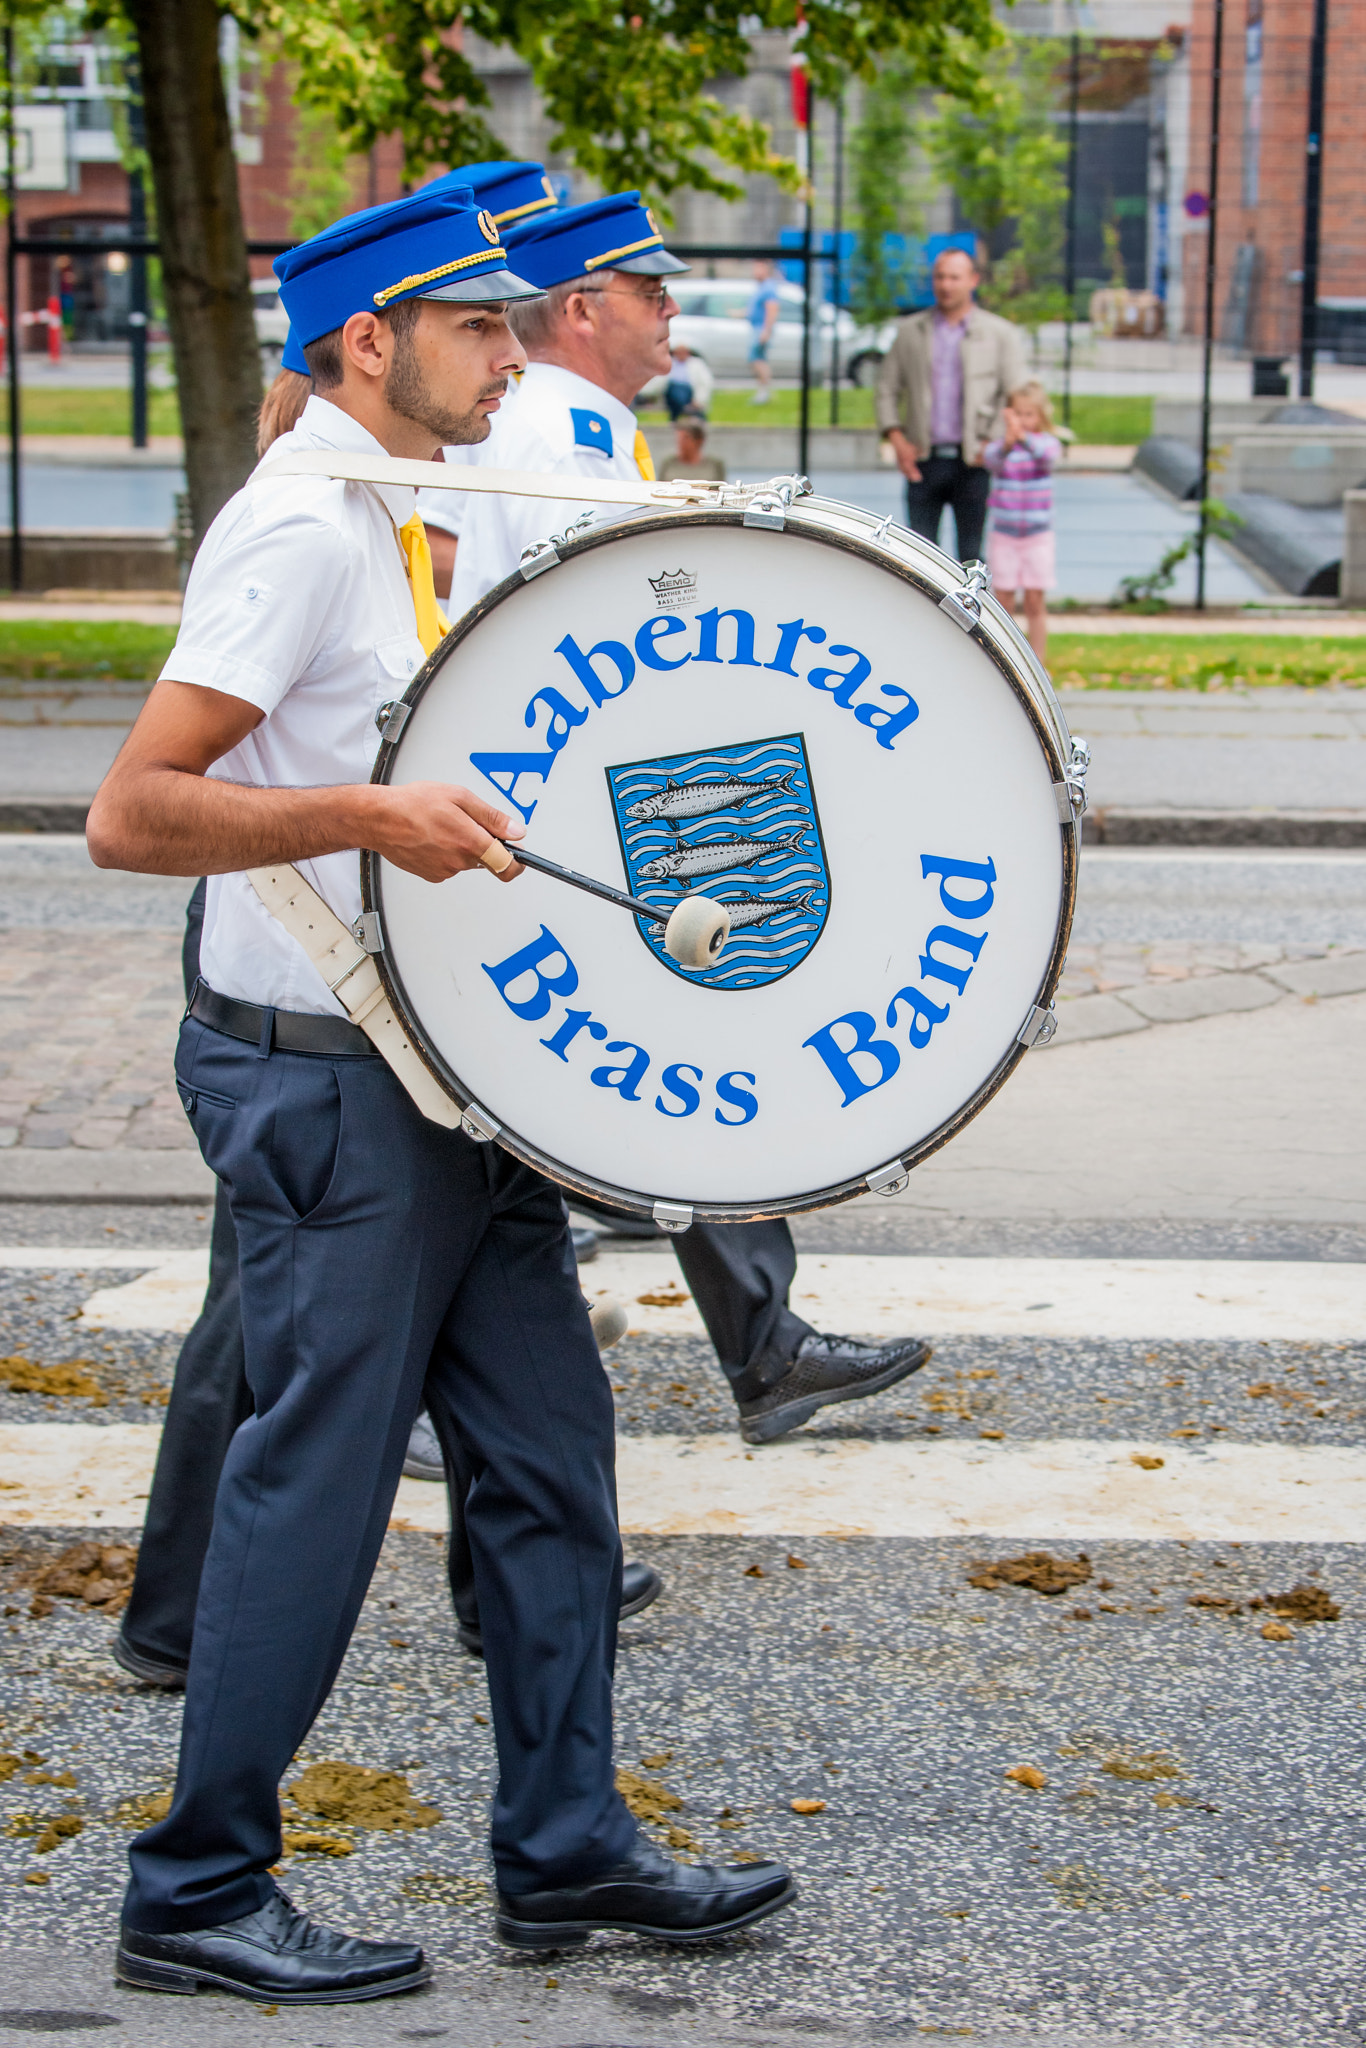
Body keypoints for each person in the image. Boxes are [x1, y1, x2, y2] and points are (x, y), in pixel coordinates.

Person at [87, 183, 793, 2005]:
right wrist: (372, 815)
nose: (515, 345)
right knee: (312, 1482)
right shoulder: (303, 529)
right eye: (478, 326)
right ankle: (195, 1885)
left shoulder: (423, 502)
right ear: (364, 343)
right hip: (326, 1087)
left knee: (552, 1465)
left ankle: (563, 1842)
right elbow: (132, 811)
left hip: (454, 1083)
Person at [451, 191, 933, 1448]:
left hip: (582, 815)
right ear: (579, 308)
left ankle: (759, 1349)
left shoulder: (577, 429)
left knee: (643, 1081)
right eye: (651, 292)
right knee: (668, 1073)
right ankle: (430, 1386)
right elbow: (614, 648)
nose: (673, 312)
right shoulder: (560, 438)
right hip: (593, 822)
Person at [111, 875, 663, 1695]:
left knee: (467, 1269)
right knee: (278, 1296)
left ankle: (497, 1587)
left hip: (420, 915)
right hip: (323, 934)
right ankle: (184, 1620)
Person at [876, 246, 1027, 564]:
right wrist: (897, 440)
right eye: (940, 277)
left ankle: (970, 615)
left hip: (973, 462)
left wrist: (995, 441)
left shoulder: (999, 334)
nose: (946, 285)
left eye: (954, 277)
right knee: (919, 560)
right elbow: (886, 389)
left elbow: (1017, 394)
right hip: (923, 460)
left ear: (973, 280)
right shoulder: (909, 333)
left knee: (971, 557)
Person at [982, 381, 1062, 665]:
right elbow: (991, 461)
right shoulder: (1001, 450)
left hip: (1037, 538)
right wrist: (1008, 441)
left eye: (1029, 414)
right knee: (1003, 597)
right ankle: (1006, 659)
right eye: (1018, 413)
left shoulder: (1046, 445)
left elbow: (1049, 458)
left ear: (1040, 416)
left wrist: (1024, 438)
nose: (1023, 420)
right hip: (1005, 536)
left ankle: (1038, 661)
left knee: (1035, 599)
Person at [747, 258, 782, 404]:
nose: (755, 272)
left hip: (761, 330)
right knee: (758, 359)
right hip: (757, 328)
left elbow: (772, 309)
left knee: (757, 360)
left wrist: (766, 331)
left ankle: (765, 392)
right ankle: (764, 391)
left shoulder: (768, 287)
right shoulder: (761, 287)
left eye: (758, 268)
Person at [658, 416, 725, 481]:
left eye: (686, 438)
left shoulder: (714, 465)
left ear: (699, 440)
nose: (681, 442)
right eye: (679, 438)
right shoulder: (668, 464)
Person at [662, 340, 713, 421]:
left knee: (681, 393)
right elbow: (659, 382)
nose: (681, 355)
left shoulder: (697, 364)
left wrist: (698, 400)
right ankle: (688, 410)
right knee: (676, 391)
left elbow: (705, 383)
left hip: (689, 392)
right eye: (678, 352)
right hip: (671, 392)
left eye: (683, 352)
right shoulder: (669, 363)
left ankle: (682, 411)